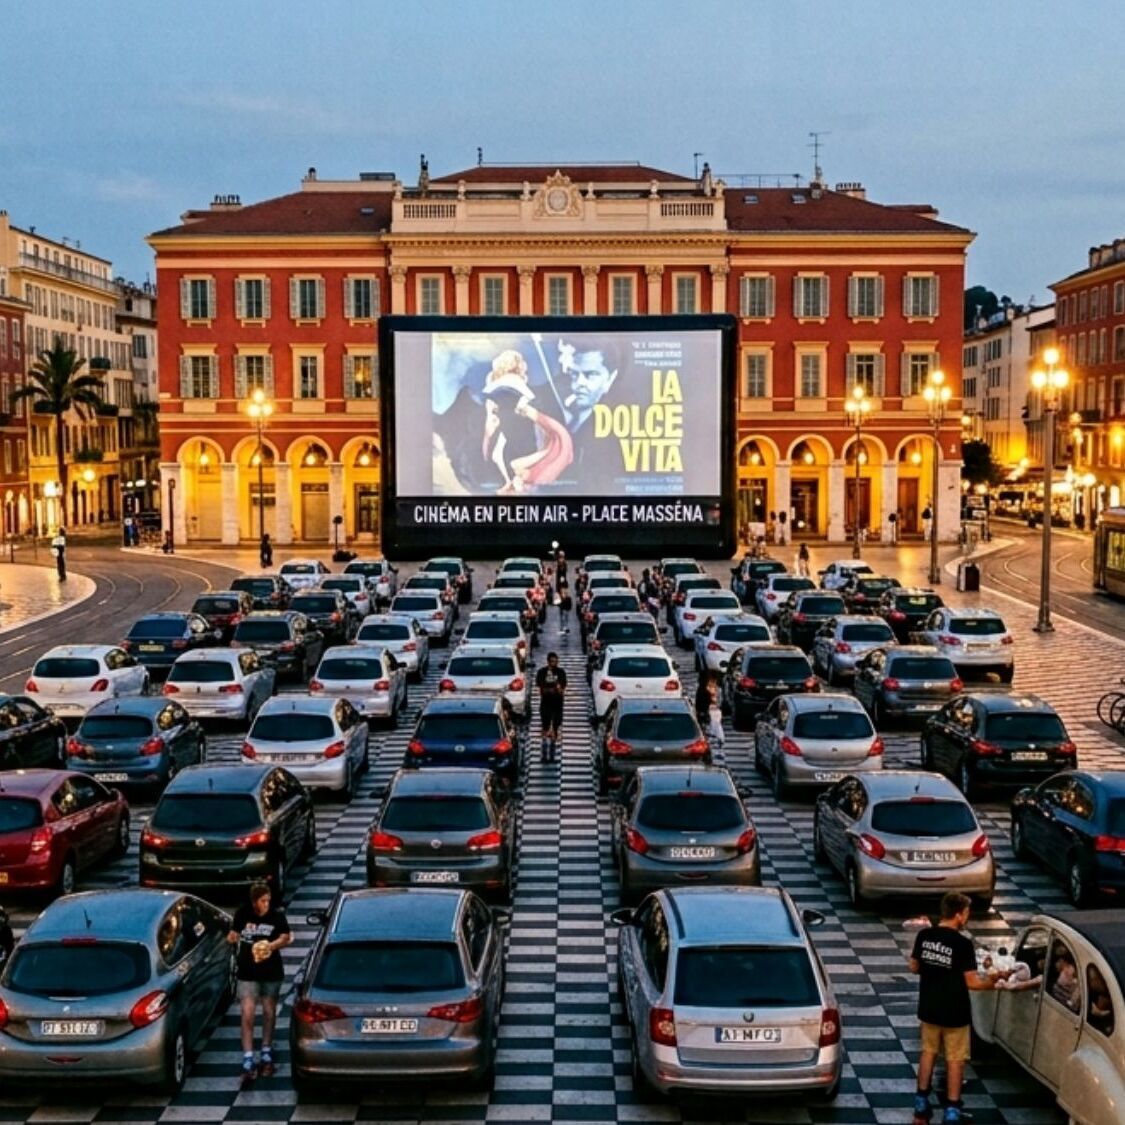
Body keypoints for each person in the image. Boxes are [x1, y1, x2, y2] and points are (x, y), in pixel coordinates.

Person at [909, 892, 1001, 1124]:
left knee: (928, 1053)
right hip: (955, 1012)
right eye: (967, 913)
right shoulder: (962, 944)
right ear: (959, 914)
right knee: (955, 1060)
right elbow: (972, 982)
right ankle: (952, 1110)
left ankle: (921, 1101)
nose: (967, 918)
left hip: (929, 1008)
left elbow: (914, 966)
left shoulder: (925, 935)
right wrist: (992, 982)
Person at [228, 881, 292, 1084]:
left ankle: (266, 1050)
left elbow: (286, 937)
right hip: (247, 972)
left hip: (271, 972)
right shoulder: (242, 914)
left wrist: (270, 946)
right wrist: (231, 937)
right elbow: (234, 934)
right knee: (247, 1013)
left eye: (268, 900)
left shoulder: (276, 916)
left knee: (268, 1011)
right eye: (263, 901)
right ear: (255, 901)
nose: (267, 904)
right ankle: (248, 1057)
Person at [535, 651, 567, 763]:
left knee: (555, 728)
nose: (554, 663)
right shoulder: (542, 672)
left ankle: (552, 755)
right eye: (552, 661)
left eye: (556, 661)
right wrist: (550, 689)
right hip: (546, 704)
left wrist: (557, 688)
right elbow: (541, 688)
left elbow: (562, 688)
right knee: (545, 727)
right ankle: (544, 755)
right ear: (548, 661)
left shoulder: (561, 672)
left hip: (557, 704)